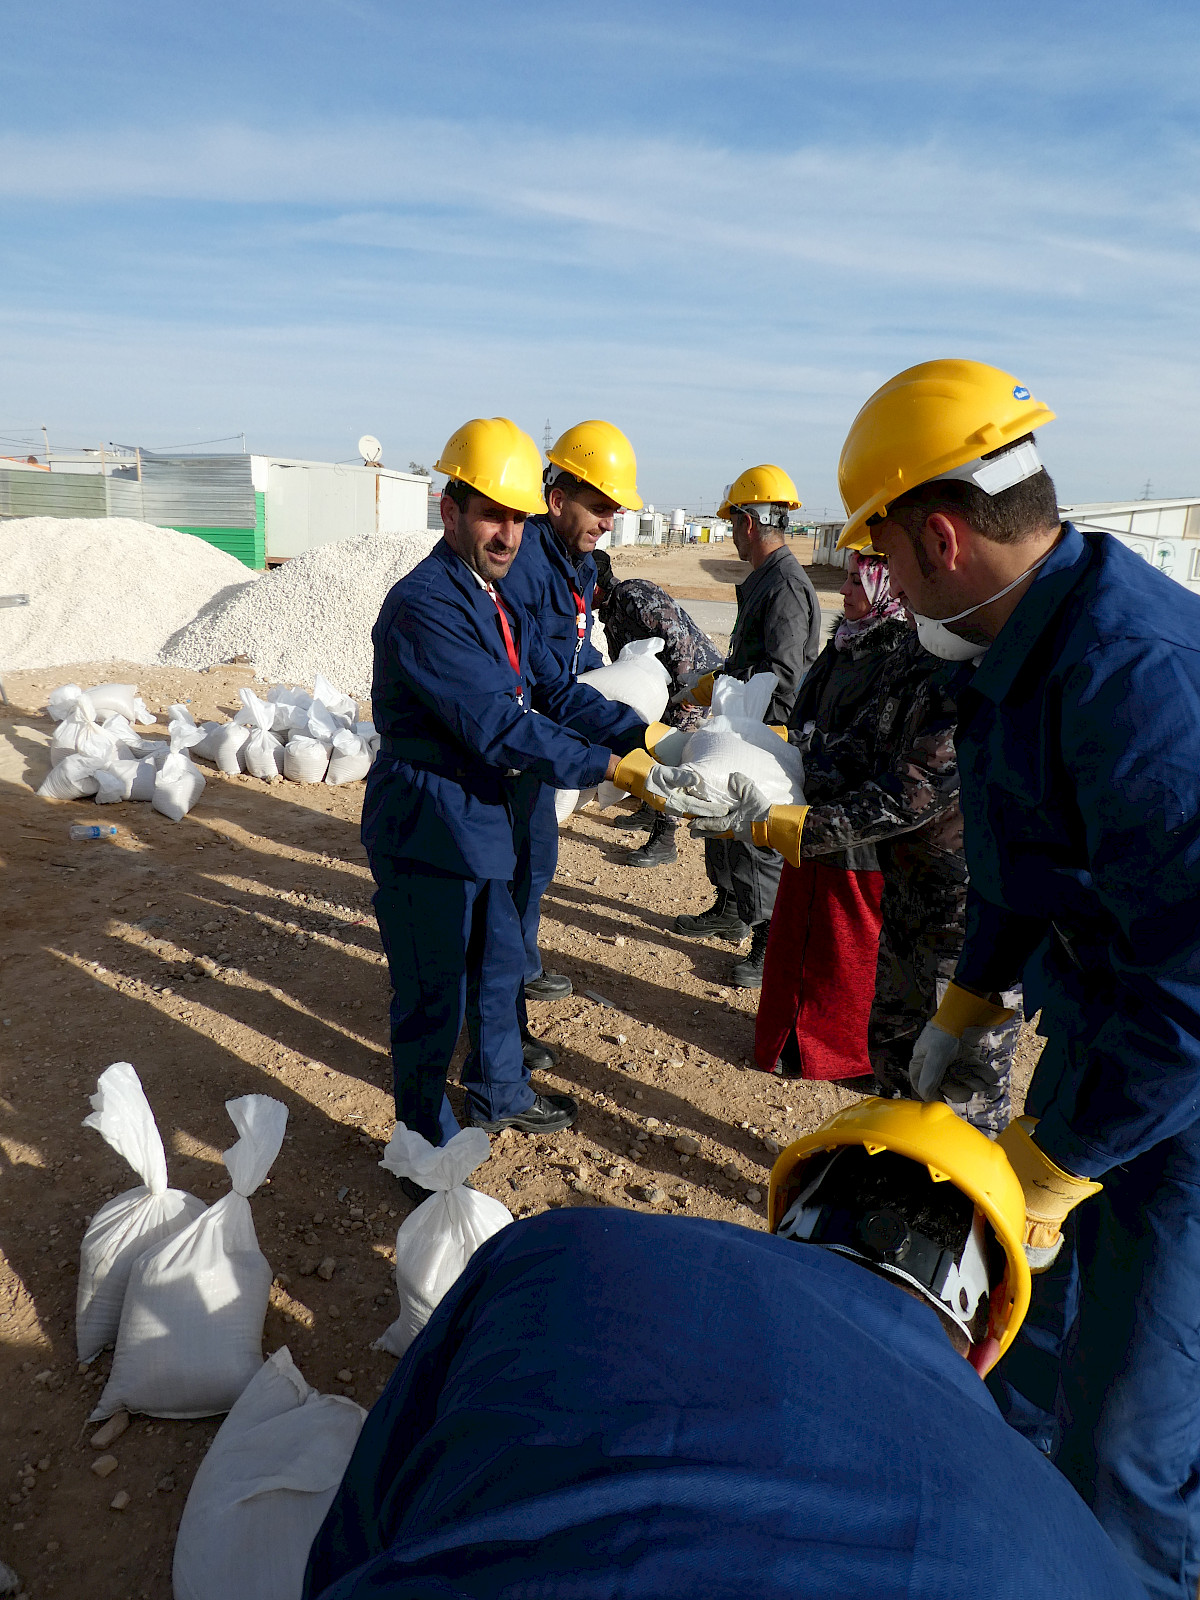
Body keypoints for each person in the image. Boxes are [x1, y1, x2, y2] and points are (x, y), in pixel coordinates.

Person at [832, 358, 1198, 1599]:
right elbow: (1022, 858)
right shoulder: (1011, 643)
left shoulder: (1134, 677)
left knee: (1130, 1433)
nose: (877, 572)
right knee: (1028, 1339)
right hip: (1110, 1026)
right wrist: (970, 997)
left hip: (1185, 1073)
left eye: (880, 544)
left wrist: (1066, 1160)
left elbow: (1195, 984)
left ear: (939, 534)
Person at [303, 1099, 1145, 1599]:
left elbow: (366, 1517)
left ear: (793, 1213)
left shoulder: (560, 1249)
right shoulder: (1084, 1558)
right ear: (985, 1339)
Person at [362, 416, 651, 1167]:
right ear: (448, 508)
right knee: (432, 1001)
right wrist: (611, 770)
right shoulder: (428, 603)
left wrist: (641, 738)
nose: (508, 533)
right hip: (430, 823)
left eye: (517, 517)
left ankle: (499, 1091)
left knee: (496, 965)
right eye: (492, 513)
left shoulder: (486, 592)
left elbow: (549, 686)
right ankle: (423, 1144)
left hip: (482, 816)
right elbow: (496, 723)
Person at [707, 552, 1020, 1136]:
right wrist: (780, 757)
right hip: (905, 888)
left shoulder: (982, 665)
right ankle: (894, 1174)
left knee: (958, 1080)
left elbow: (910, 793)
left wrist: (801, 826)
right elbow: (862, 744)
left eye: (887, 569)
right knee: (894, 1048)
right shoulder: (915, 651)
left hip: (964, 906)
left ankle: (953, 1212)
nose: (887, 583)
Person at [500, 421, 643, 1008]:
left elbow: (572, 664)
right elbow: (536, 684)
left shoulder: (575, 563)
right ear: (557, 500)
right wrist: (613, 758)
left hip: (540, 736)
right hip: (512, 742)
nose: (609, 521)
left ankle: (517, 971)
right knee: (510, 870)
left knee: (534, 862)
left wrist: (643, 733)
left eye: (614, 510)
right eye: (600, 507)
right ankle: (504, 988)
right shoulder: (526, 566)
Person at [752, 552, 909, 1077]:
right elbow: (807, 712)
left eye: (855, 580)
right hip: (814, 815)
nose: (844, 589)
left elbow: (875, 750)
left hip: (855, 830)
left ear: (885, 584)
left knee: (843, 952)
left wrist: (812, 751)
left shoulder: (898, 656)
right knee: (797, 936)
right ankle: (786, 1041)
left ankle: (836, 1056)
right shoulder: (847, 643)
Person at [674, 466, 822, 988]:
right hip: (742, 720)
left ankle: (765, 938)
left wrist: (754, 730)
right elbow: (750, 659)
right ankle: (731, 908)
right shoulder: (765, 579)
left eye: (733, 521)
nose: (731, 532)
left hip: (766, 729)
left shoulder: (784, 586)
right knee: (725, 826)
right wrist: (715, 685)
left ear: (750, 522)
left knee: (757, 837)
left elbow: (784, 675)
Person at [591, 553, 723, 868]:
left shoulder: (631, 594)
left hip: (693, 679)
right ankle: (651, 811)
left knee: (673, 753)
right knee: (653, 741)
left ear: (594, 585)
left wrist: (687, 689)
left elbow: (678, 638)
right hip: (671, 685)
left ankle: (665, 841)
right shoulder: (611, 612)